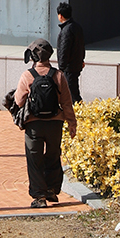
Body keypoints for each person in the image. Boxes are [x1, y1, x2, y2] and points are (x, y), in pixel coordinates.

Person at [13, 38, 76, 208]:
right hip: (55, 123)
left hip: (34, 124)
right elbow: (66, 103)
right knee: (53, 155)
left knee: (34, 160)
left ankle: (39, 196)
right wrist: (72, 123)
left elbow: (18, 101)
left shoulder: (27, 75)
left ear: (33, 56)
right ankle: (52, 190)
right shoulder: (58, 75)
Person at [55, 2, 85, 104]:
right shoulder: (77, 27)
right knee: (73, 90)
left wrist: (61, 68)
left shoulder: (66, 30)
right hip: (76, 65)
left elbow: (64, 50)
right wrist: (82, 60)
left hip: (69, 68)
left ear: (60, 15)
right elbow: (81, 46)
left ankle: (80, 110)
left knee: (72, 93)